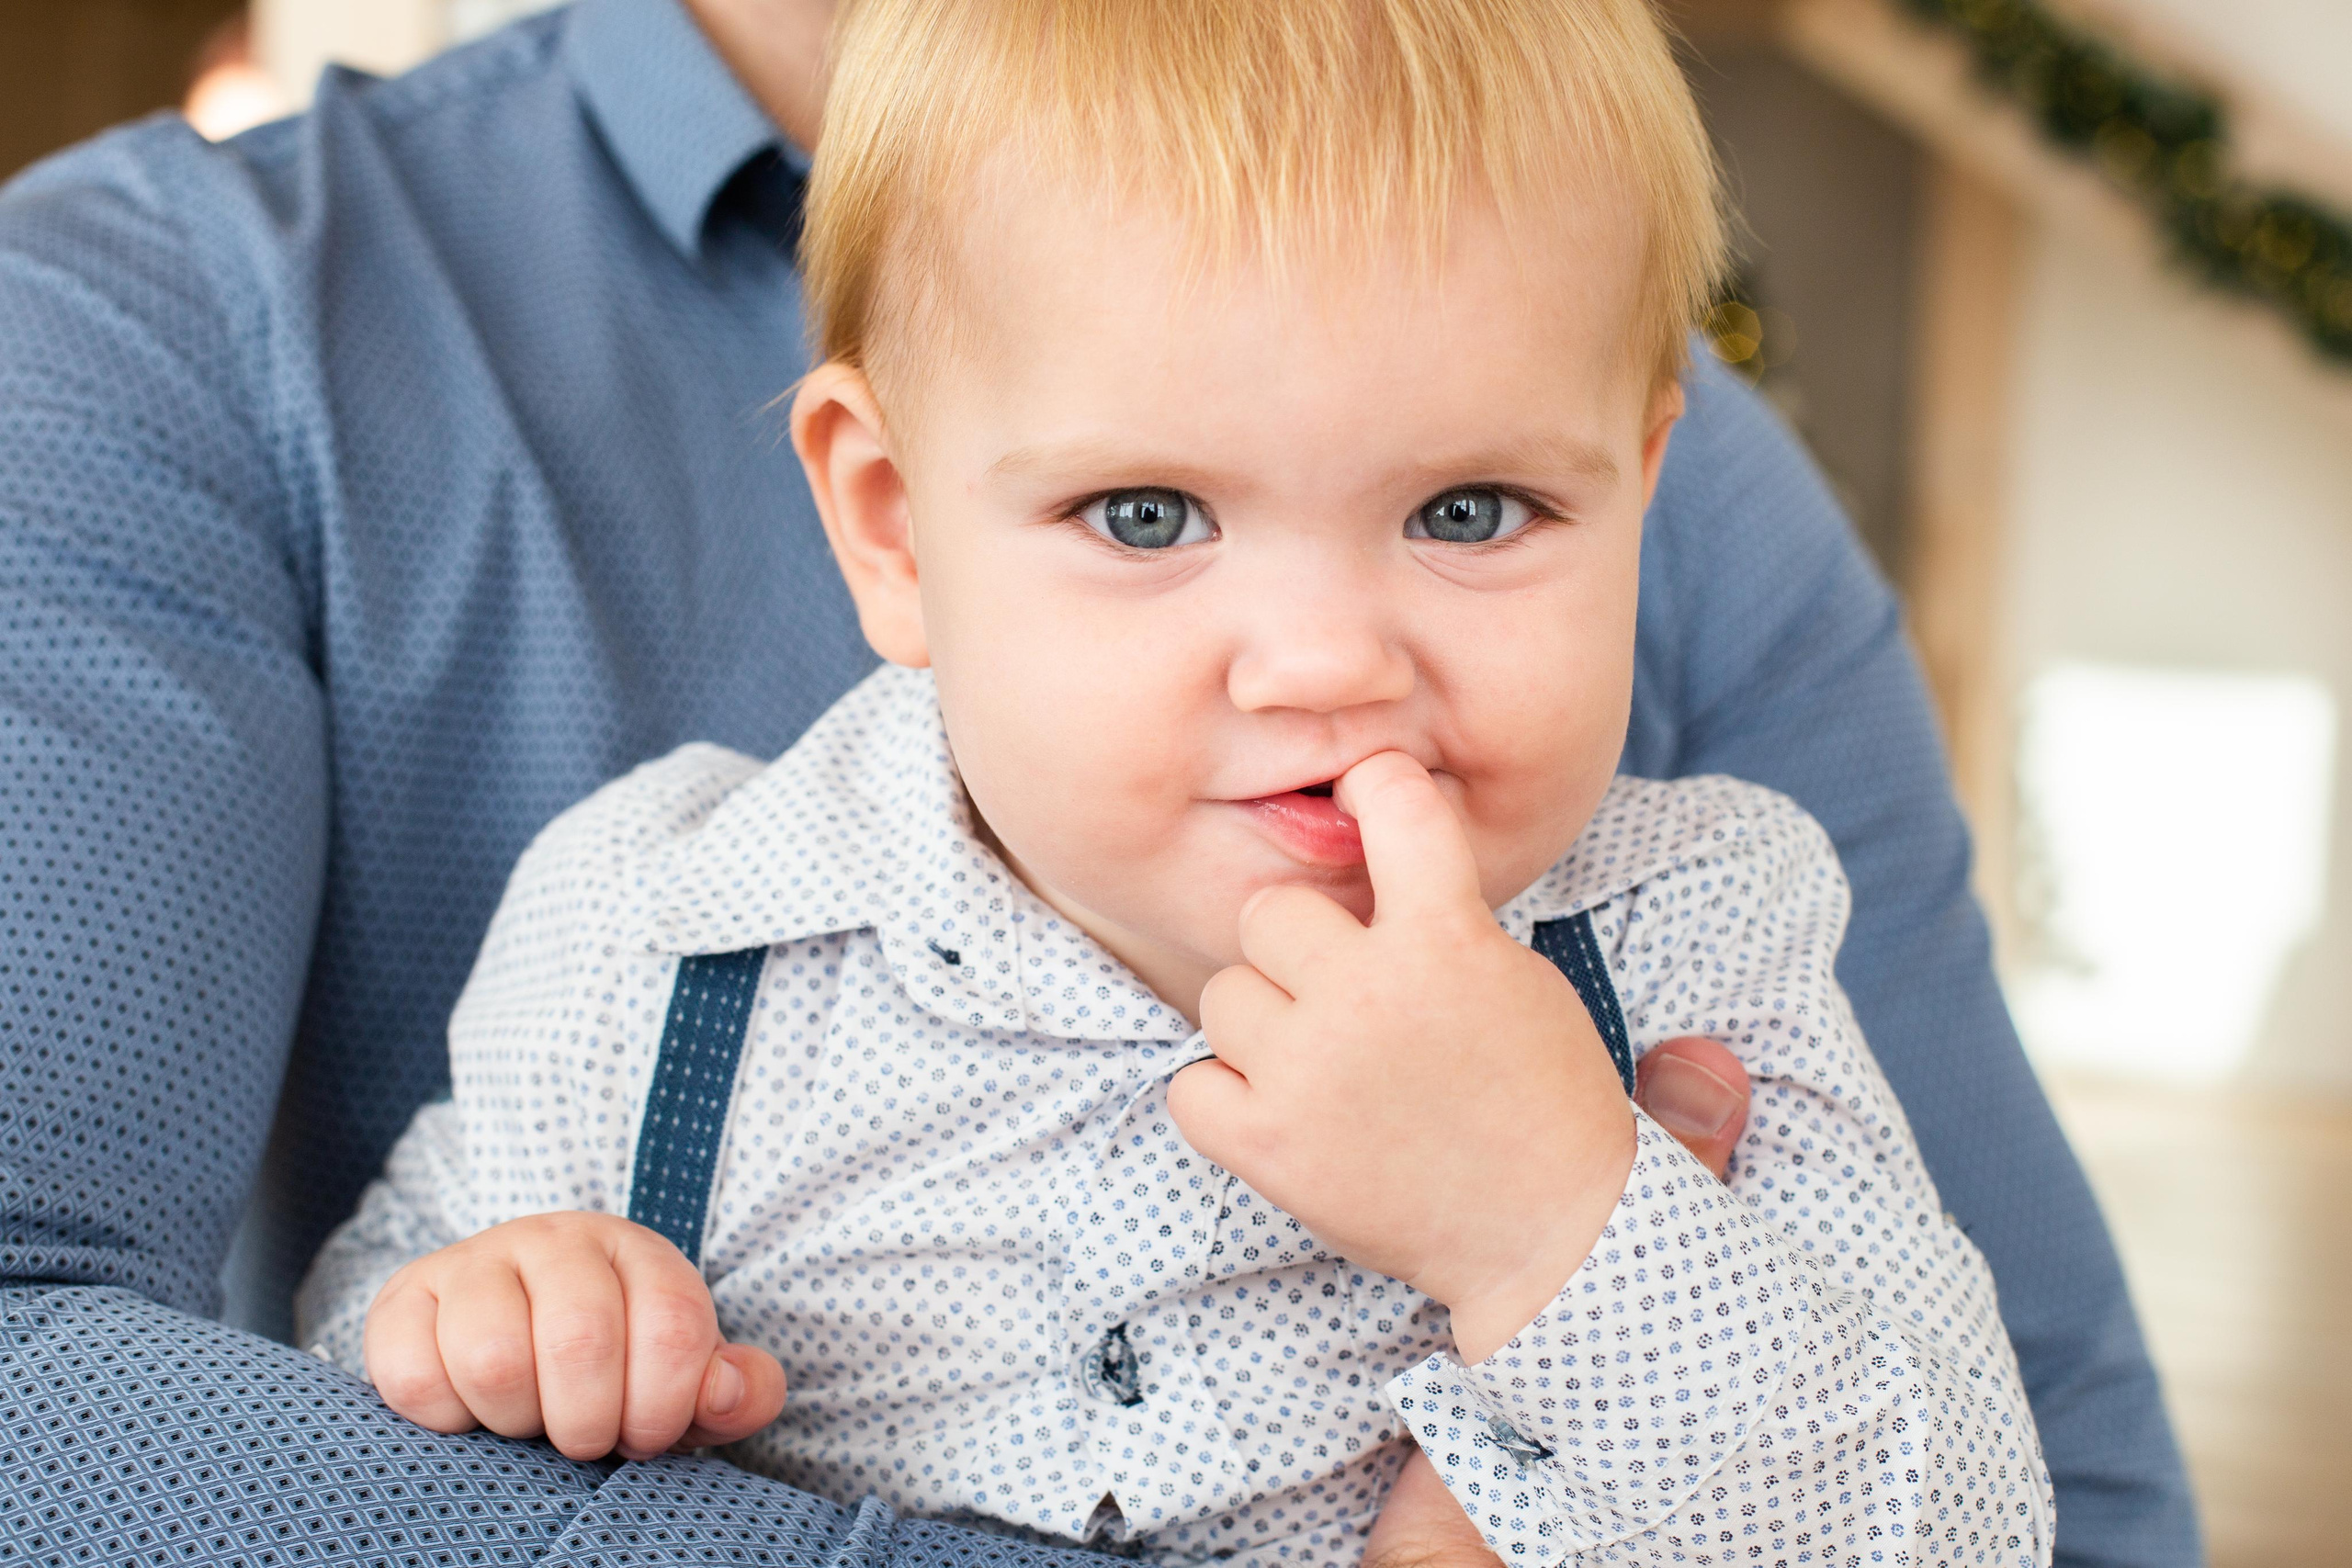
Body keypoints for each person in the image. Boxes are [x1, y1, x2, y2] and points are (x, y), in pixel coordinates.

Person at [0, 1, 2195, 1564]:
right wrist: (487, 1317)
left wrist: (1567, 1230)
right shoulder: (666, 926)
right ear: (883, 524)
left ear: (1642, 482)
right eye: (1148, 516)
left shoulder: (1696, 942)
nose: (1326, 657)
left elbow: (1978, 1516)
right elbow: (361, 1322)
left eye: (1470, 511)